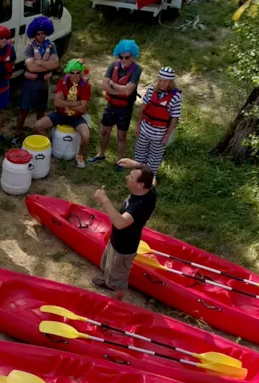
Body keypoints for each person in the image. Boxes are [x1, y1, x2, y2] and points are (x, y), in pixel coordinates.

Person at [91, 159, 157, 300]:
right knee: (109, 266)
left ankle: (117, 299)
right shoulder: (150, 190)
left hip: (123, 248)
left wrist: (104, 200)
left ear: (140, 184)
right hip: (117, 240)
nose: (127, 177)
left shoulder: (138, 205)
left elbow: (120, 223)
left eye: (131, 177)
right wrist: (135, 165)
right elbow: (153, 178)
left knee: (118, 277)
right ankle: (109, 281)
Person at [91, 40, 143, 167]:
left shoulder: (137, 69)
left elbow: (128, 92)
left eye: (127, 57)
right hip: (111, 105)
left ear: (133, 56)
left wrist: (113, 85)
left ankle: (119, 161)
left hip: (125, 108)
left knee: (121, 136)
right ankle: (101, 154)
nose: (124, 60)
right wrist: (121, 88)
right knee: (105, 131)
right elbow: (104, 85)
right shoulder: (113, 65)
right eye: (121, 57)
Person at [34, 59, 91, 168]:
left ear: (81, 73)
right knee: (37, 126)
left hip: (76, 117)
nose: (74, 76)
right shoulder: (62, 82)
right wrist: (76, 103)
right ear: (68, 72)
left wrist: (64, 102)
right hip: (60, 114)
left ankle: (79, 155)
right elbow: (56, 102)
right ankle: (50, 144)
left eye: (77, 73)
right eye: (72, 73)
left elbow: (83, 108)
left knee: (86, 137)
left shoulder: (86, 86)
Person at [17, 17, 59, 141]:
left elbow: (55, 64)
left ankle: (38, 131)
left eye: (43, 33)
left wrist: (38, 62)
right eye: (38, 33)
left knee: (41, 109)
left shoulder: (52, 45)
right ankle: (18, 133)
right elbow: (30, 67)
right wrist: (46, 65)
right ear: (34, 33)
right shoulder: (29, 47)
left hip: (44, 84)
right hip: (30, 84)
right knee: (24, 109)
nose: (41, 36)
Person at [135, 66, 181, 175]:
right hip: (145, 128)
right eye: (160, 80)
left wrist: (167, 136)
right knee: (140, 154)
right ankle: (138, 175)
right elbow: (143, 108)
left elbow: (174, 118)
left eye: (165, 81)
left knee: (154, 158)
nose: (162, 83)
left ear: (171, 82)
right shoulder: (151, 90)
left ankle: (150, 178)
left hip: (160, 133)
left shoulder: (176, 96)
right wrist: (138, 126)